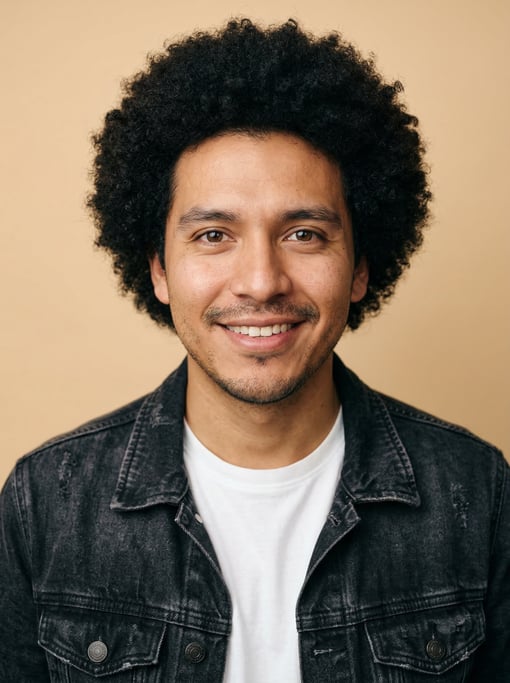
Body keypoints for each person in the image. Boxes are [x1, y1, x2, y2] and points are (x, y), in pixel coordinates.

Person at [0, 18, 508, 682]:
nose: (262, 280)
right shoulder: (46, 504)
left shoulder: (477, 493)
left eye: (304, 233)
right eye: (214, 235)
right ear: (157, 267)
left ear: (360, 266)